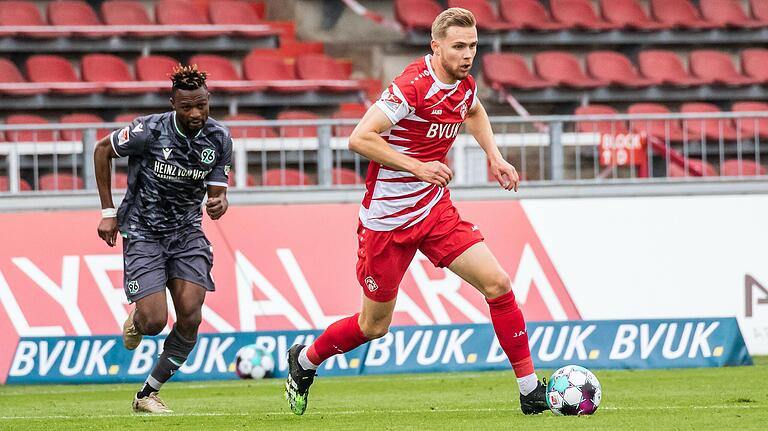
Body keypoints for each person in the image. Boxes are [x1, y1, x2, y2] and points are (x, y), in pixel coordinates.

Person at [284, 8, 548, 416]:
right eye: (459, 46)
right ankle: (305, 361)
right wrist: (418, 167)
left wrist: (494, 156)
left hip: (433, 210)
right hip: (387, 222)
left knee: (497, 283)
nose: (467, 55)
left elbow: (474, 111)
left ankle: (530, 391)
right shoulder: (411, 86)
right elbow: (360, 137)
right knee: (374, 326)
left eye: (473, 46)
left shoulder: (463, 85)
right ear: (435, 46)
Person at [94, 64, 232, 413]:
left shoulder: (219, 139)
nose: (196, 113)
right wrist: (108, 213)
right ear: (173, 103)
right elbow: (101, 150)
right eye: (187, 106)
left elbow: (217, 191)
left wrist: (219, 202)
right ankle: (138, 320)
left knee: (190, 315)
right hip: (143, 231)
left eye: (202, 104)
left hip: (187, 234)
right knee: (155, 321)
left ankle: (147, 395)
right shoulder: (148, 131)